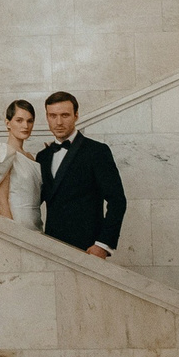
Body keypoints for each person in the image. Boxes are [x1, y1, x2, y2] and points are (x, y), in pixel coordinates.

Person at [35, 90, 128, 256]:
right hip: (51, 246)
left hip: (88, 248)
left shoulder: (97, 151)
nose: (58, 122)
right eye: (53, 116)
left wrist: (103, 244)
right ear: (47, 117)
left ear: (76, 116)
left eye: (65, 115)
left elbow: (117, 200)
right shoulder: (43, 156)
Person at [0, 98, 43, 228]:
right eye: (19, 120)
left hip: (36, 225)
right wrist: (15, 234)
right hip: (16, 226)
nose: (25, 126)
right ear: (8, 123)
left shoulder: (31, 157)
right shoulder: (4, 153)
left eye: (30, 121)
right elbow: (1, 202)